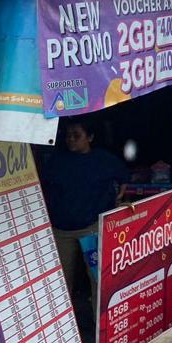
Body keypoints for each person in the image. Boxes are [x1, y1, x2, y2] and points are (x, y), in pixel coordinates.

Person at [40, 118, 127, 302]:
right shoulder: (57, 161)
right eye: (68, 136)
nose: (71, 139)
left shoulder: (103, 160)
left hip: (92, 229)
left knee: (98, 281)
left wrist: (119, 196)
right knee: (61, 284)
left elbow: (124, 177)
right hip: (61, 230)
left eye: (76, 135)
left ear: (90, 137)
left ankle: (99, 329)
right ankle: (63, 328)